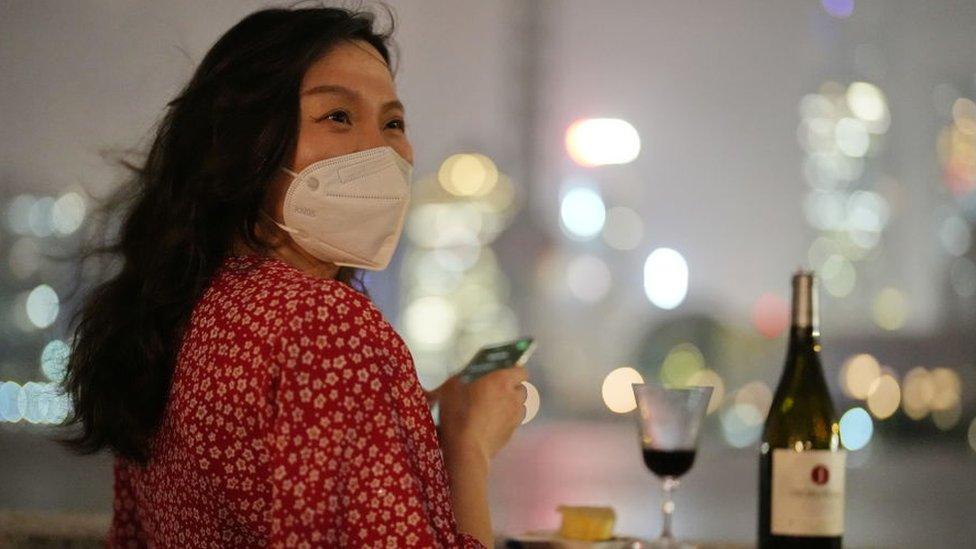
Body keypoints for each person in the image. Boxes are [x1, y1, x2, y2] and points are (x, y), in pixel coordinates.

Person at [58, 4, 529, 548]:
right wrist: (467, 449)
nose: (381, 150)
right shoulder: (324, 325)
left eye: (393, 122)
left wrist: (382, 417)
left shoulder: (173, 316)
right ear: (243, 142)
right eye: (337, 116)